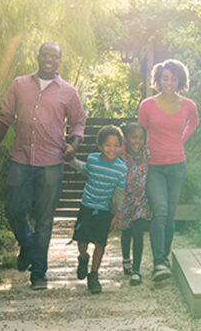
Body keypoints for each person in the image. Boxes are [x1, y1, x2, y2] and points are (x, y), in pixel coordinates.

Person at [0, 42, 86, 290]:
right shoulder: (19, 84)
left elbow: (78, 123)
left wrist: (73, 145)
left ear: (60, 61)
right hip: (20, 158)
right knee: (13, 210)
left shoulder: (68, 92)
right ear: (38, 56)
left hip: (52, 162)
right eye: (46, 54)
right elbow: (5, 117)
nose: (49, 58)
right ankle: (28, 245)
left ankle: (39, 272)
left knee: (44, 219)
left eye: (55, 55)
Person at [138, 59, 199, 282]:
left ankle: (164, 257)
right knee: (160, 211)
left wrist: (181, 139)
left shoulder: (189, 105)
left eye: (173, 78)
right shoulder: (147, 105)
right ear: (158, 80)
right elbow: (140, 133)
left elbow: (194, 122)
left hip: (177, 166)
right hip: (154, 166)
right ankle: (159, 262)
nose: (169, 82)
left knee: (170, 215)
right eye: (165, 78)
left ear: (180, 80)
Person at [67, 125, 128, 294]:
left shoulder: (121, 169)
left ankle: (93, 275)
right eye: (108, 144)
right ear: (100, 145)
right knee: (82, 240)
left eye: (116, 145)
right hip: (87, 206)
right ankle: (83, 257)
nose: (112, 149)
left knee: (101, 243)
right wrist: (70, 158)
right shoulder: (93, 159)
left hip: (104, 211)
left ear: (120, 147)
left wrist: (116, 215)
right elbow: (82, 168)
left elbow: (119, 193)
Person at [113, 122, 150, 286]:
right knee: (126, 233)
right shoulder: (121, 154)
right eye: (134, 137)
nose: (138, 141)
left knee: (138, 233)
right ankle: (126, 259)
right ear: (127, 139)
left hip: (141, 201)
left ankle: (136, 270)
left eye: (141, 138)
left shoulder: (147, 153)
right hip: (124, 201)